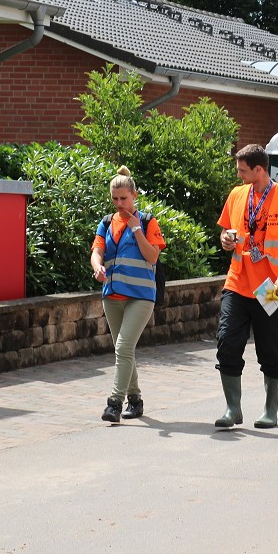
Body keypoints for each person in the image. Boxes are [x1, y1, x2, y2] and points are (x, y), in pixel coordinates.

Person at [214, 144, 278, 429]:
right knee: (227, 343)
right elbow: (227, 231)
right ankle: (233, 409)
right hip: (238, 281)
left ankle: (270, 409)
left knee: (271, 349)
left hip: (268, 288)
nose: (238, 174)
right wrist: (225, 240)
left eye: (243, 170)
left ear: (259, 170)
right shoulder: (237, 194)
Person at [91, 166, 166, 423]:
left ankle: (114, 403)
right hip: (112, 295)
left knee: (123, 347)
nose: (119, 203)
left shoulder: (147, 221)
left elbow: (152, 256)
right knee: (125, 350)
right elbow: (97, 251)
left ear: (134, 195)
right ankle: (135, 401)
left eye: (124, 198)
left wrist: (136, 230)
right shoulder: (105, 223)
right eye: (115, 199)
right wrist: (97, 266)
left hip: (141, 295)